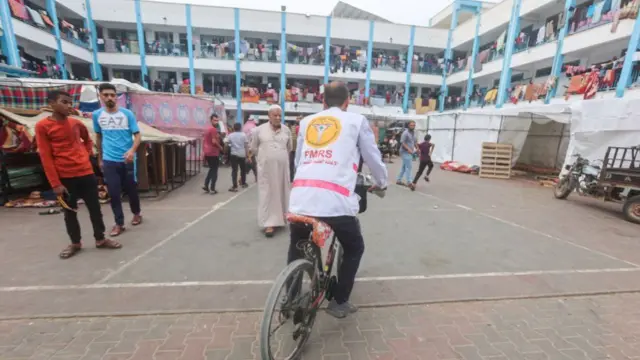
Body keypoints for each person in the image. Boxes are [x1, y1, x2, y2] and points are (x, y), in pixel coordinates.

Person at [289, 82, 388, 318]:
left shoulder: (306, 122)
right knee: (354, 247)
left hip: (301, 197)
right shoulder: (356, 121)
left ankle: (289, 298)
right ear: (347, 102)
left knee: (297, 245)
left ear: (322, 102)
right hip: (336, 201)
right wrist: (382, 182)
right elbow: (372, 156)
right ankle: (340, 301)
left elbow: (298, 160)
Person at [36, 90, 122, 259]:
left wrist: (87, 155)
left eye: (70, 102)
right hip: (65, 177)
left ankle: (100, 238)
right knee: (70, 211)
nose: (69, 106)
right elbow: (45, 156)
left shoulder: (76, 123)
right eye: (64, 102)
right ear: (52, 104)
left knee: (95, 209)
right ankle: (75, 243)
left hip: (85, 173)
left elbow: (87, 139)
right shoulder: (43, 127)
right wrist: (55, 184)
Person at [93, 83, 143, 237]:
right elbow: (99, 137)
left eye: (112, 95)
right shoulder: (97, 115)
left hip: (126, 159)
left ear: (116, 97)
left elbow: (137, 135)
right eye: (106, 95)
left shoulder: (127, 114)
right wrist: (100, 157)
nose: (109, 98)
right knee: (114, 193)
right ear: (100, 96)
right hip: (109, 160)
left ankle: (136, 213)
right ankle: (119, 223)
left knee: (131, 189)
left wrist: (132, 151)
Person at [250, 105, 292, 237]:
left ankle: (282, 219)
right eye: (275, 115)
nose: (278, 117)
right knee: (267, 194)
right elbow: (254, 148)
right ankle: (268, 223)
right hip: (266, 170)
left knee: (282, 193)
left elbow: (289, 148)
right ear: (269, 116)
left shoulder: (286, 130)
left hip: (282, 170)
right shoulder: (258, 130)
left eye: (280, 115)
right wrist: (266, 158)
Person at [227, 122, 250, 192]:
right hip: (242, 154)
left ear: (234, 128)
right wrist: (247, 155)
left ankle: (234, 186)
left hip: (233, 154)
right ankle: (243, 183)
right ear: (240, 128)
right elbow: (246, 146)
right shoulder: (244, 135)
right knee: (243, 170)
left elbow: (228, 144)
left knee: (234, 170)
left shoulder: (230, 135)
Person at [203, 114, 222, 194]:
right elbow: (214, 141)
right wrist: (220, 147)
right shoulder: (213, 129)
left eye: (217, 120)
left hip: (207, 152)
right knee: (215, 170)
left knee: (211, 169)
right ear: (211, 120)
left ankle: (206, 185)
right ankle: (212, 188)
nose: (216, 122)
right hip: (213, 152)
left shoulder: (208, 129)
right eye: (214, 120)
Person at [396, 121, 418, 189]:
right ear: (408, 126)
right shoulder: (405, 133)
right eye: (411, 125)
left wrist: (418, 149)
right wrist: (409, 150)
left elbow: (415, 142)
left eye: (414, 125)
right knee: (409, 167)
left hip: (410, 152)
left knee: (404, 167)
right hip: (404, 152)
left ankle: (398, 180)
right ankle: (409, 182)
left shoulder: (414, 133)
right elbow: (402, 143)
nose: (413, 126)